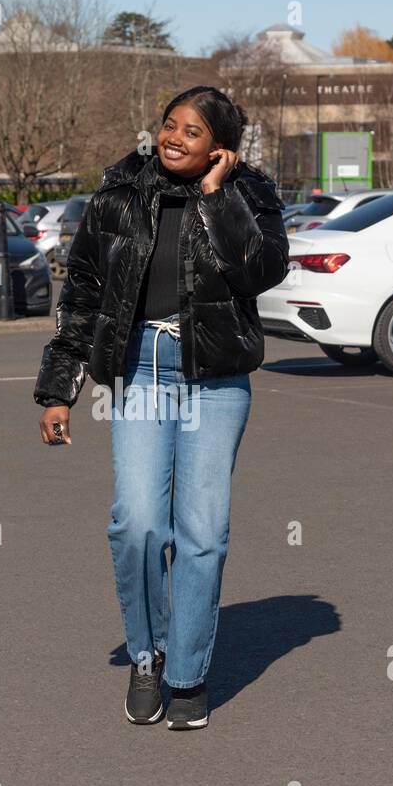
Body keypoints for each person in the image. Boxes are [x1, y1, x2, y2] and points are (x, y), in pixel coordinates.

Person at [34, 86, 289, 730]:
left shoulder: (250, 196)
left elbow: (258, 272)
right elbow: (84, 293)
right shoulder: (118, 195)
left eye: (193, 131)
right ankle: (147, 655)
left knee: (203, 531)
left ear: (220, 147)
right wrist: (58, 389)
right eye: (169, 124)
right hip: (140, 367)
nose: (174, 137)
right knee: (139, 521)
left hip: (216, 375)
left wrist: (218, 198)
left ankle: (187, 675)